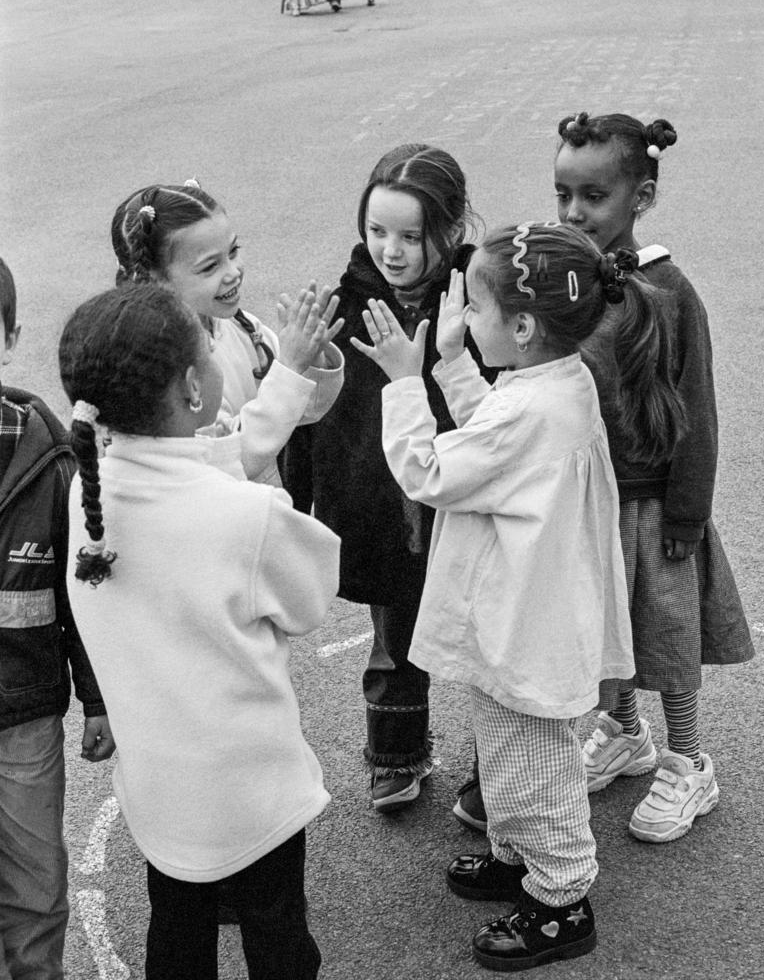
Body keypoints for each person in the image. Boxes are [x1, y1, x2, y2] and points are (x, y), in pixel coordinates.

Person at [354, 221, 681, 969]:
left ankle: (562, 899)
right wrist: (448, 366)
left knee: (534, 764)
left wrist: (406, 382)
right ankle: (516, 858)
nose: (463, 320)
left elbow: (431, 471)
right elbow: (490, 429)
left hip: (525, 622)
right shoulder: (551, 382)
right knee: (508, 754)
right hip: (532, 610)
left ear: (524, 326)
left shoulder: (532, 407)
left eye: (473, 309)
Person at [58, 283, 341, 979]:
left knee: (177, 931)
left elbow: (201, 465)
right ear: (192, 388)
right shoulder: (247, 517)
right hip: (250, 790)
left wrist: (288, 376)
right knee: (277, 933)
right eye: (210, 351)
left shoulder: (90, 493)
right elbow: (308, 603)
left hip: (162, 789)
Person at [554, 111, 754, 843]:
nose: (575, 211)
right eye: (563, 194)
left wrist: (687, 515)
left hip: (652, 508)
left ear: (639, 199)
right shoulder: (565, 284)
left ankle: (687, 762)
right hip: (588, 504)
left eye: (594, 196)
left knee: (666, 637)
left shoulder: (671, 292)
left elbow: (696, 408)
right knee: (605, 630)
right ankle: (625, 735)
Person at [281, 144, 492, 812]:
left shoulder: (479, 299)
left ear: (453, 230)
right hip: (381, 511)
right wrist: (297, 506)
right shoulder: (344, 308)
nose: (391, 250)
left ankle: (504, 773)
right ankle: (397, 755)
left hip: (466, 505)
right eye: (377, 231)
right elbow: (307, 418)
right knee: (394, 640)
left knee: (491, 646)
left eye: (410, 235)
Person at [0, 256, 114, 980]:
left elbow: (81, 597)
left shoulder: (50, 463)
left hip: (24, 716)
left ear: (9, 338)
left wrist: (99, 701)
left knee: (36, 885)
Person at [111, 180, 344, 488]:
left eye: (233, 251)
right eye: (210, 266)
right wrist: (288, 370)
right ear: (154, 281)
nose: (233, 271)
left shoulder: (239, 325)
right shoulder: (155, 368)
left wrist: (309, 361)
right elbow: (226, 462)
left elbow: (298, 411)